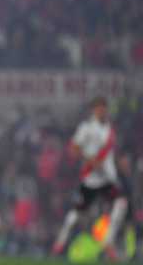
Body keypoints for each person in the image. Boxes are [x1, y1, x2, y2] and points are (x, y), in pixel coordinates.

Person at [52, 96, 128, 260]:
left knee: (121, 204)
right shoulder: (86, 128)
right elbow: (73, 148)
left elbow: (110, 153)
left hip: (107, 179)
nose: (102, 110)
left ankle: (108, 242)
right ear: (93, 110)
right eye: (99, 107)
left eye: (104, 107)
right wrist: (90, 160)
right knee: (77, 213)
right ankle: (60, 242)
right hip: (91, 179)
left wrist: (119, 163)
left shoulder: (109, 129)